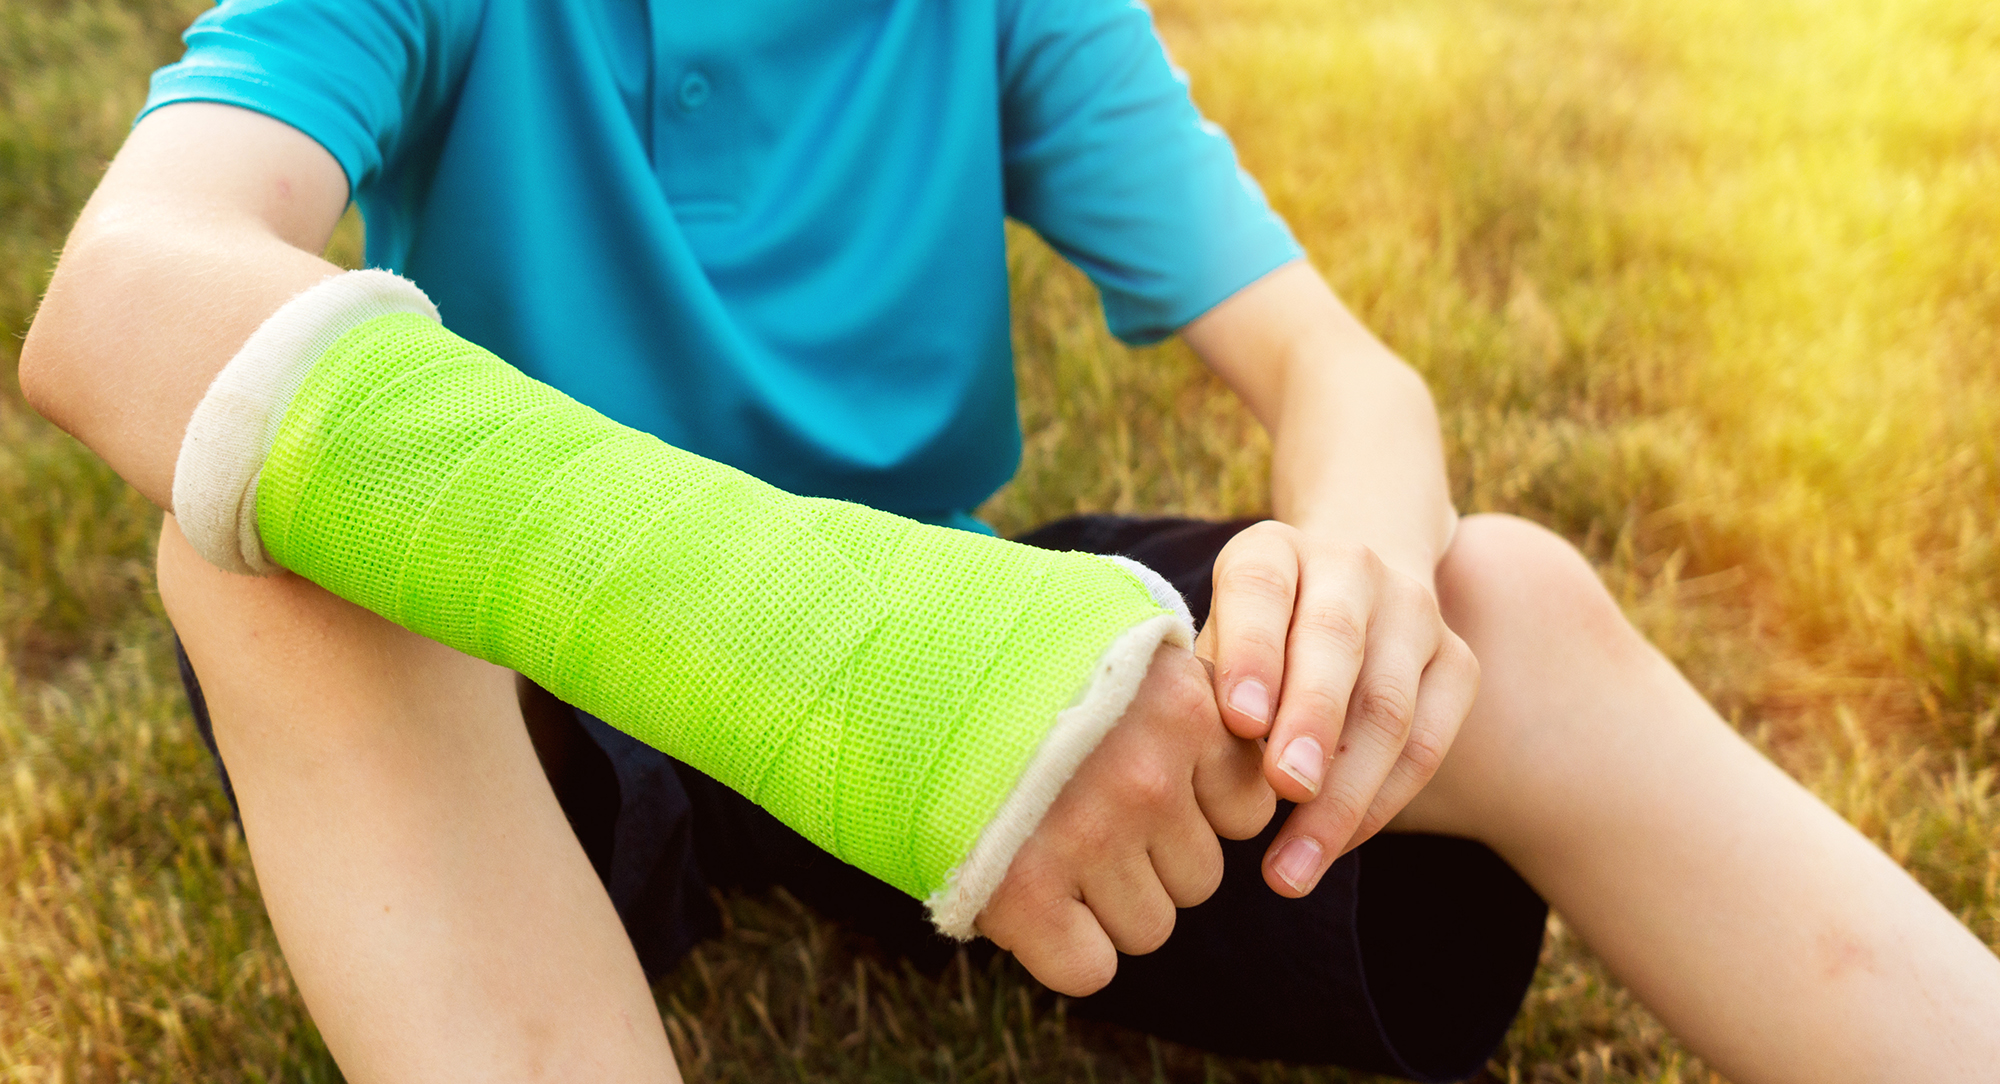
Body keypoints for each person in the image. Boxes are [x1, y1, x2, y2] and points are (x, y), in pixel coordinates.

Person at [17, 0, 2000, 1081]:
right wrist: (850, 648)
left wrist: (1360, 578)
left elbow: (1340, 370)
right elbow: (117, 304)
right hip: (542, 718)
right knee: (258, 542)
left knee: (1511, 599)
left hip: (977, 737)